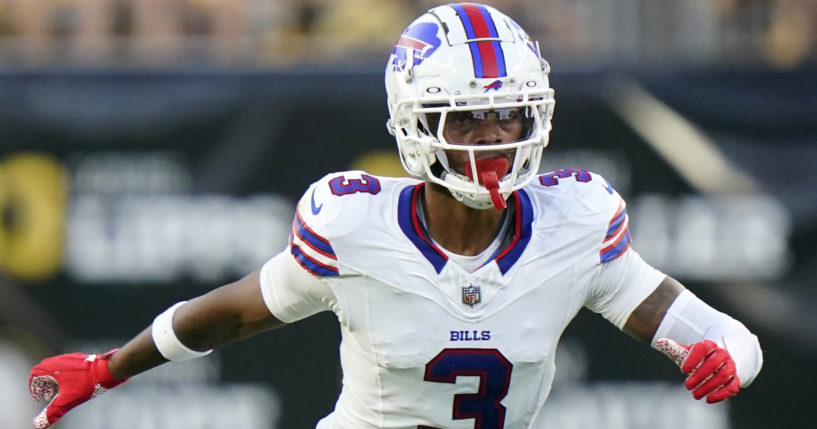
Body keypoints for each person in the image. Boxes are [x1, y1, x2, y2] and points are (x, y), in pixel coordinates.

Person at [28, 3, 763, 429]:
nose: (495, 137)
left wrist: (731, 356)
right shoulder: (354, 225)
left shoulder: (575, 222)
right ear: (416, 126)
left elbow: (716, 332)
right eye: (468, 119)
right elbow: (231, 314)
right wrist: (109, 367)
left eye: (509, 115)